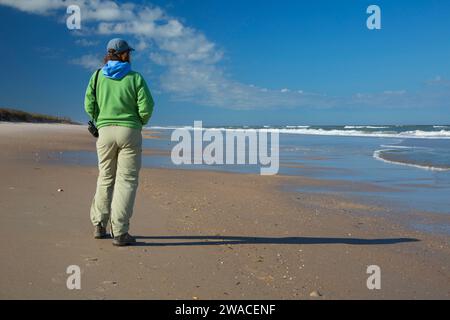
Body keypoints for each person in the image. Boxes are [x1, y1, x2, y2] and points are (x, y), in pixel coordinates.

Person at [84, 38, 154, 246]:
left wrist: (101, 120)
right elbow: (147, 106)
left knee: (105, 177)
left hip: (104, 132)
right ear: (125, 54)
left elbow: (89, 104)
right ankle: (120, 232)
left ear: (108, 54)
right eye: (129, 53)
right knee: (127, 180)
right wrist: (139, 121)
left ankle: (99, 225)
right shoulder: (135, 78)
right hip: (129, 131)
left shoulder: (97, 76)